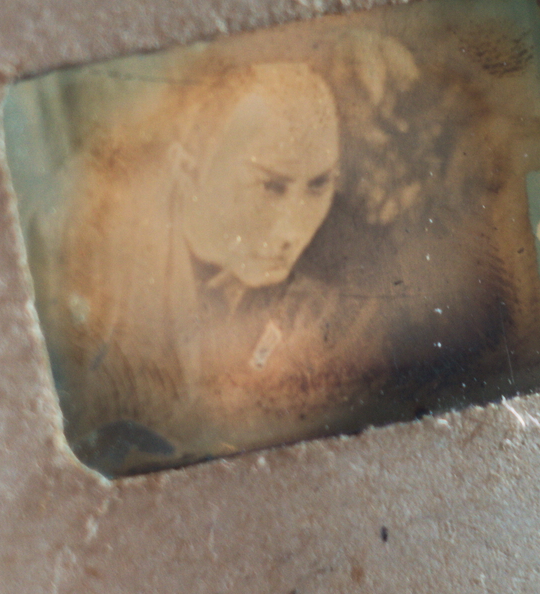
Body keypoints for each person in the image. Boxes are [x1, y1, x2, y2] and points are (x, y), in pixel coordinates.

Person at [35, 59, 369, 474]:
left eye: (318, 185)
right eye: (270, 185)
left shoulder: (337, 291)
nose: (293, 230)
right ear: (188, 171)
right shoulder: (83, 249)